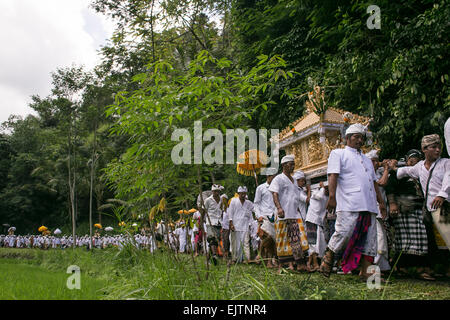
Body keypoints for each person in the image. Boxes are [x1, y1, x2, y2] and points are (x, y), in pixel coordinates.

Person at [319, 123, 387, 281]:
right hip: (349, 201)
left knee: (370, 240)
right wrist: (332, 197)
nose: (359, 140)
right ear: (346, 138)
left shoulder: (366, 159)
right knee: (344, 232)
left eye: (361, 137)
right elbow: (333, 175)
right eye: (356, 137)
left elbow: (374, 182)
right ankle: (328, 257)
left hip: (369, 203)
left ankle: (367, 273)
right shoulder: (338, 154)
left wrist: (381, 202)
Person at [394, 134, 450, 276]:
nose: (437, 150)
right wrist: (392, 167)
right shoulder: (419, 166)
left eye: (439, 147)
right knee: (433, 241)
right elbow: (404, 171)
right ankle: (440, 268)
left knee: (447, 237)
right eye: (433, 147)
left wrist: (442, 194)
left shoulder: (446, 163)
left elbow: (448, 179)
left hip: (444, 207)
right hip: (429, 209)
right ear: (424, 149)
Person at [385, 149, 434, 280]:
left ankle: (420, 268)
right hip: (403, 209)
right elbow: (390, 188)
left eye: (417, 160)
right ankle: (402, 268)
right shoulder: (399, 172)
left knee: (420, 240)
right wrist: (393, 204)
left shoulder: (421, 171)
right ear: (407, 160)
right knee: (404, 241)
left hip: (419, 209)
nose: (414, 162)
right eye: (412, 160)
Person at [269, 155, 309, 273]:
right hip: (283, 214)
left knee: (298, 239)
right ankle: (283, 266)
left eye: (293, 164)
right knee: (284, 240)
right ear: (283, 165)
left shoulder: (294, 181)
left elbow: (295, 196)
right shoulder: (278, 179)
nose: (292, 166)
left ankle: (301, 264)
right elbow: (274, 194)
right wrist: (279, 208)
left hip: (294, 214)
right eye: (290, 164)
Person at [366, 149, 391, 273]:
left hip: (382, 209)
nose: (375, 164)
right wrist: (386, 168)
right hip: (373, 209)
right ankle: (374, 265)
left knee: (382, 237)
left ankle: (383, 266)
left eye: (377, 161)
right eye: (372, 161)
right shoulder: (368, 174)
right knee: (379, 237)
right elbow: (382, 183)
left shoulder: (379, 172)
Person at [254, 169, 278, 268]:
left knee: (274, 240)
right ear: (268, 176)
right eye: (273, 176)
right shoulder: (261, 188)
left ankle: (271, 260)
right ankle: (261, 256)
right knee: (266, 238)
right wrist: (258, 215)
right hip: (264, 217)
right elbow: (256, 203)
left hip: (275, 216)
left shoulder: (277, 187)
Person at [305, 181, 329, 272]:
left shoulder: (327, 197)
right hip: (312, 219)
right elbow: (319, 196)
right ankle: (314, 264)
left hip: (318, 222)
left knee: (320, 243)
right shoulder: (315, 192)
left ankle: (311, 263)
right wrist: (322, 187)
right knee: (313, 243)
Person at [228, 186, 254, 264]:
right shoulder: (233, 201)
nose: (243, 195)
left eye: (244, 193)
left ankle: (246, 259)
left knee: (246, 242)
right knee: (235, 243)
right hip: (235, 225)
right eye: (241, 193)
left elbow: (255, 209)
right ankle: (234, 258)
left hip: (245, 226)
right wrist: (231, 223)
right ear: (238, 193)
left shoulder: (249, 203)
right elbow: (230, 213)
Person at [203, 184, 224, 265]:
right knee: (211, 238)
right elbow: (204, 211)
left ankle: (208, 260)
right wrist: (202, 221)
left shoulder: (222, 200)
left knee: (214, 241)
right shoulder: (208, 200)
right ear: (212, 191)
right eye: (215, 191)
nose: (216, 193)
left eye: (218, 191)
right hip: (210, 222)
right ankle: (215, 255)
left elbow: (222, 210)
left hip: (219, 222)